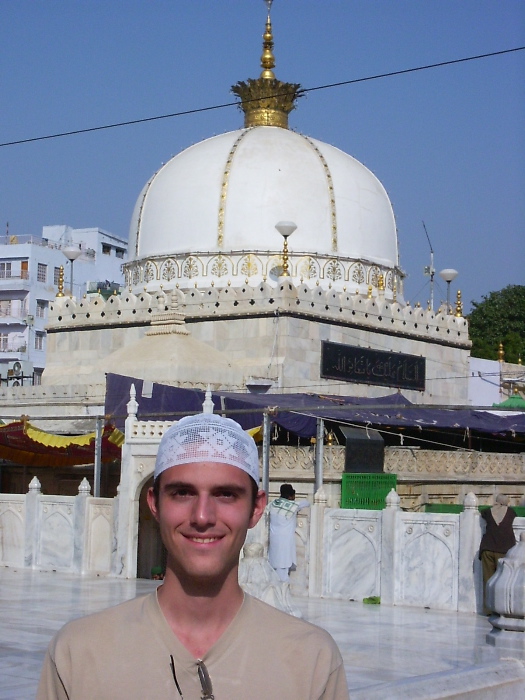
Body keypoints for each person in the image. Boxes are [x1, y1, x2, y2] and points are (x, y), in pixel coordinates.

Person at [37, 413, 349, 699]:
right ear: (155, 503)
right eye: (182, 493)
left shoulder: (311, 662)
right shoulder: (79, 655)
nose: (202, 516)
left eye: (225, 494)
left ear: (255, 508)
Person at [479, 493, 517, 613]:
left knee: (488, 580)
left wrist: (494, 506)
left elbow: (482, 512)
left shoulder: (488, 512)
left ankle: (488, 609)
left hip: (488, 549)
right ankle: (502, 608)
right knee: (503, 581)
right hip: (504, 551)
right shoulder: (511, 513)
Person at [268, 483, 310, 582]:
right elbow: (306, 503)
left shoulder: (273, 504)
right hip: (285, 541)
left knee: (275, 565)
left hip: (274, 540)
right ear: (291, 495)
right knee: (283, 570)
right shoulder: (292, 506)